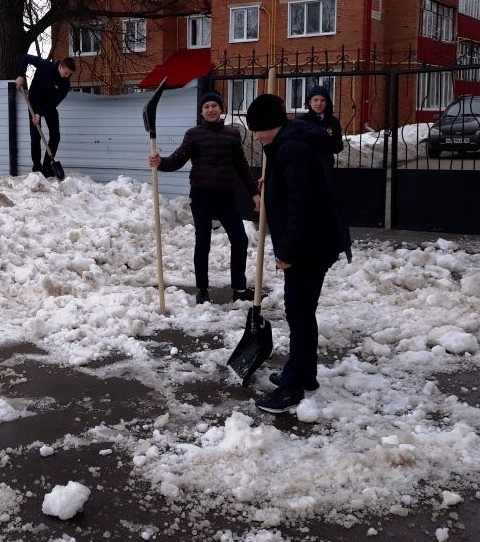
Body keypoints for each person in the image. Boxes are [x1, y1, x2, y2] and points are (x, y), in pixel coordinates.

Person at [245, 93, 352, 414]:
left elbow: (301, 206)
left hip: (310, 246)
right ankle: (304, 373)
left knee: (299, 313)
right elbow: (299, 186)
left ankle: (292, 388)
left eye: (258, 129)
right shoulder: (291, 145)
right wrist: (273, 180)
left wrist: (286, 252)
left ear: (269, 126)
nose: (256, 136)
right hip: (317, 241)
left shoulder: (293, 148)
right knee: (302, 313)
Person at [148, 91, 260, 305]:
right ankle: (202, 289)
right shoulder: (194, 135)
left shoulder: (232, 135)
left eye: (214, 106)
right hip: (201, 195)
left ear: (221, 109)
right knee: (203, 242)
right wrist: (160, 161)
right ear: (201, 112)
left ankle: (238, 288)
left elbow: (242, 167)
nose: (210, 109)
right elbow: (177, 160)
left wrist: (254, 192)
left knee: (240, 240)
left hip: (226, 195)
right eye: (206, 106)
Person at [15, 54, 75, 176]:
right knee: (35, 135)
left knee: (55, 136)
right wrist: (21, 75)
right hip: (34, 103)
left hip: (49, 106)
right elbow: (25, 57)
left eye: (69, 74)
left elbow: (55, 102)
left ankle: (47, 168)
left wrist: (40, 113)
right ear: (61, 66)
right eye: (66, 72)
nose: (67, 76)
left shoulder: (65, 84)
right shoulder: (45, 65)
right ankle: (37, 168)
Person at [298, 85, 344, 165]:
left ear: (327, 103)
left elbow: (338, 147)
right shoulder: (301, 121)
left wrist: (325, 142)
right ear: (309, 102)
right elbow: (296, 145)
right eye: (315, 100)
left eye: (322, 100)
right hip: (305, 165)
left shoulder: (333, 122)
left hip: (326, 166)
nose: (319, 104)